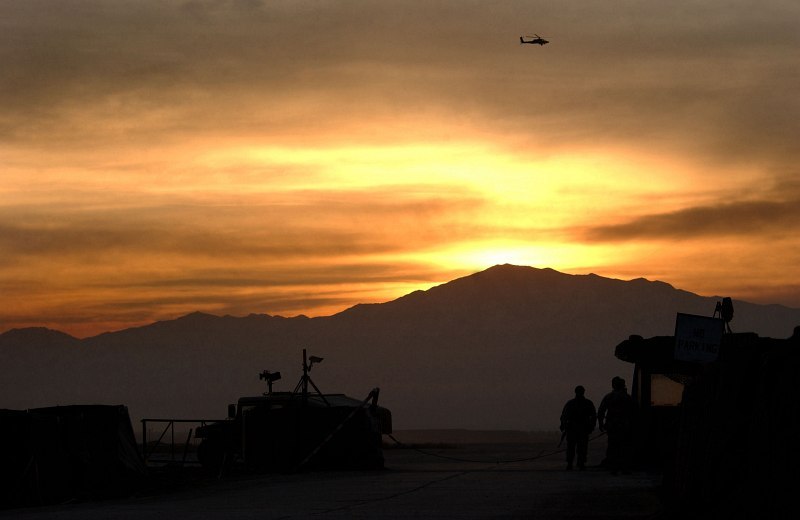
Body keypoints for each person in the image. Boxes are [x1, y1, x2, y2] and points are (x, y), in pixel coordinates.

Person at [597, 376, 637, 473]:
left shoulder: (609, 397)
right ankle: (623, 467)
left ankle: (613, 466)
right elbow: (634, 413)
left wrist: (601, 424)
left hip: (613, 426)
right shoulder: (627, 398)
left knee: (613, 446)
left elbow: (601, 411)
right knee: (624, 447)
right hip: (624, 426)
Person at [559, 385, 597, 470]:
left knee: (576, 447)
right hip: (578, 429)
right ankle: (577, 463)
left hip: (577, 429)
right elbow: (564, 416)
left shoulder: (571, 403)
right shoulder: (587, 403)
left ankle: (574, 463)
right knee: (578, 447)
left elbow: (564, 416)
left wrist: (563, 426)